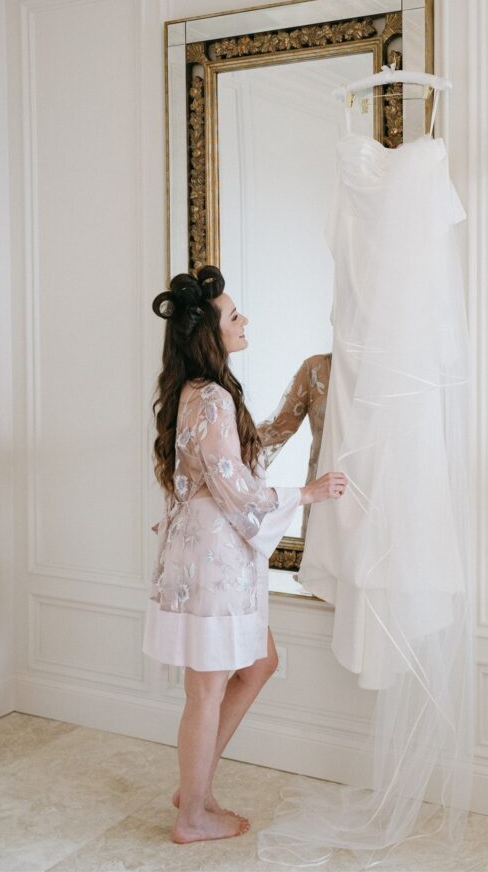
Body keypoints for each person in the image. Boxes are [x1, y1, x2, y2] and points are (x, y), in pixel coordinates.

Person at [142, 265, 347, 845]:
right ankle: (193, 814)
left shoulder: (201, 394)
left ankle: (195, 789)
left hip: (213, 552)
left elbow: (223, 471)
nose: (243, 320)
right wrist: (307, 492)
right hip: (211, 556)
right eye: (233, 315)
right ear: (210, 333)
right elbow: (233, 486)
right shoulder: (208, 397)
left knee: (257, 662)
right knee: (205, 689)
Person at [257, 352, 331, 538]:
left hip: (375, 495)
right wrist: (221, 445)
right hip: (324, 491)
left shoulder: (389, 372)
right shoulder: (315, 368)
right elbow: (276, 429)